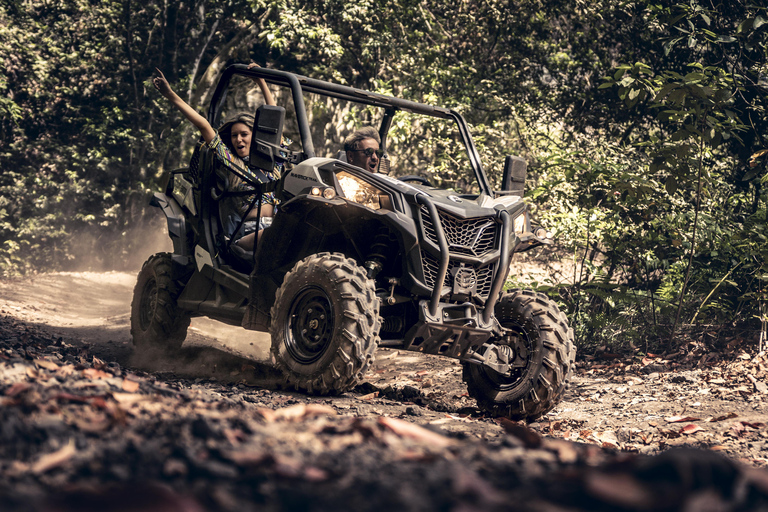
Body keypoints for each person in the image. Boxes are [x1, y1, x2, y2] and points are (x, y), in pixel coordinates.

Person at [152, 66, 278, 251]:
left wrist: (261, 81)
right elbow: (204, 126)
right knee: (275, 236)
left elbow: (275, 125)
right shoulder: (234, 165)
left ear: (256, 136)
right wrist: (170, 94)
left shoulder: (274, 165)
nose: (238, 140)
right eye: (234, 136)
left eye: (244, 134)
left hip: (276, 230)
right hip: (246, 236)